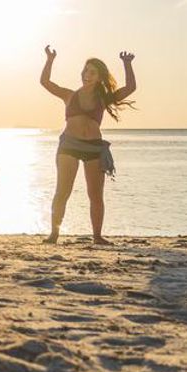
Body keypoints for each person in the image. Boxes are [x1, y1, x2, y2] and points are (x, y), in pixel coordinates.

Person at [40, 47, 136, 245]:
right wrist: (49, 60)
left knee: (95, 195)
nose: (87, 75)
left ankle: (97, 236)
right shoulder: (69, 95)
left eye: (92, 72)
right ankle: (54, 234)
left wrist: (127, 64)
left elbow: (130, 88)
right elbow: (45, 83)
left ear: (100, 77)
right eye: (85, 71)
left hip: (94, 147)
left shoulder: (103, 98)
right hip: (69, 145)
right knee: (63, 191)